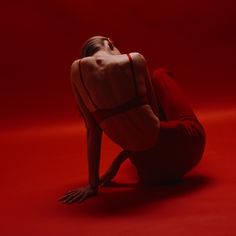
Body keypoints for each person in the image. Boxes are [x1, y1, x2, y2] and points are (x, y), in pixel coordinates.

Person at [59, 36, 206, 204]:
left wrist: (94, 184)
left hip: (150, 173)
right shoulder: (134, 59)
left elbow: (93, 131)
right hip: (187, 148)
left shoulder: (77, 69)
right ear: (109, 44)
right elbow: (155, 122)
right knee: (160, 75)